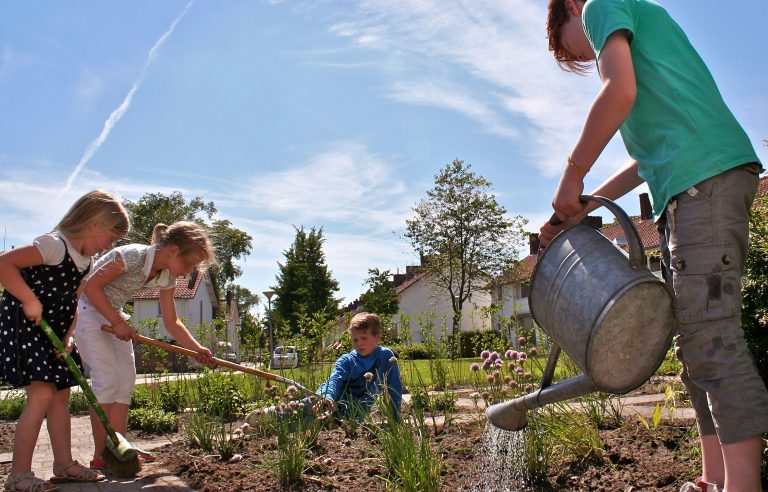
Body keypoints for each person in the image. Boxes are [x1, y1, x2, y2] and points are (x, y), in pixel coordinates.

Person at [539, 1, 767, 491]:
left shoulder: (599, 4)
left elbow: (618, 91)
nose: (587, 58)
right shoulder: (639, 32)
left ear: (570, 8)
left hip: (702, 183)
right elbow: (645, 163)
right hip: (692, 185)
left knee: (713, 340)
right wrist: (582, 204)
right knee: (695, 344)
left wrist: (572, 174)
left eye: (577, 50)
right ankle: (712, 478)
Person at [0, 190, 129, 491]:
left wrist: (70, 334)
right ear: (94, 225)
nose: (109, 246)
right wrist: (29, 299)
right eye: (110, 238)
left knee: (61, 395)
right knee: (42, 395)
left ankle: (63, 464)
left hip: (55, 331)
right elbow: (4, 264)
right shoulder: (53, 245)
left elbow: (74, 301)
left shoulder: (87, 261)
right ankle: (18, 475)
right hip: (26, 324)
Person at [75, 221, 215, 470]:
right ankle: (100, 454)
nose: (188, 272)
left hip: (113, 316)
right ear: (173, 250)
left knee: (125, 382)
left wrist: (196, 349)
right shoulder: (132, 256)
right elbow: (91, 288)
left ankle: (120, 448)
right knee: (107, 380)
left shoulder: (166, 277)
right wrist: (117, 322)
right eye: (189, 263)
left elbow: (171, 321)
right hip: (88, 311)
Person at [247, 312, 402, 426]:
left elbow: (394, 388)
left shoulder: (386, 357)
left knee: (316, 425)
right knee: (306, 410)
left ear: (377, 337)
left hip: (353, 416)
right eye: (355, 339)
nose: (359, 343)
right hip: (328, 401)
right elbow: (334, 379)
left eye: (364, 338)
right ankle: (268, 417)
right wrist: (327, 395)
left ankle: (270, 424)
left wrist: (395, 418)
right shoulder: (347, 360)